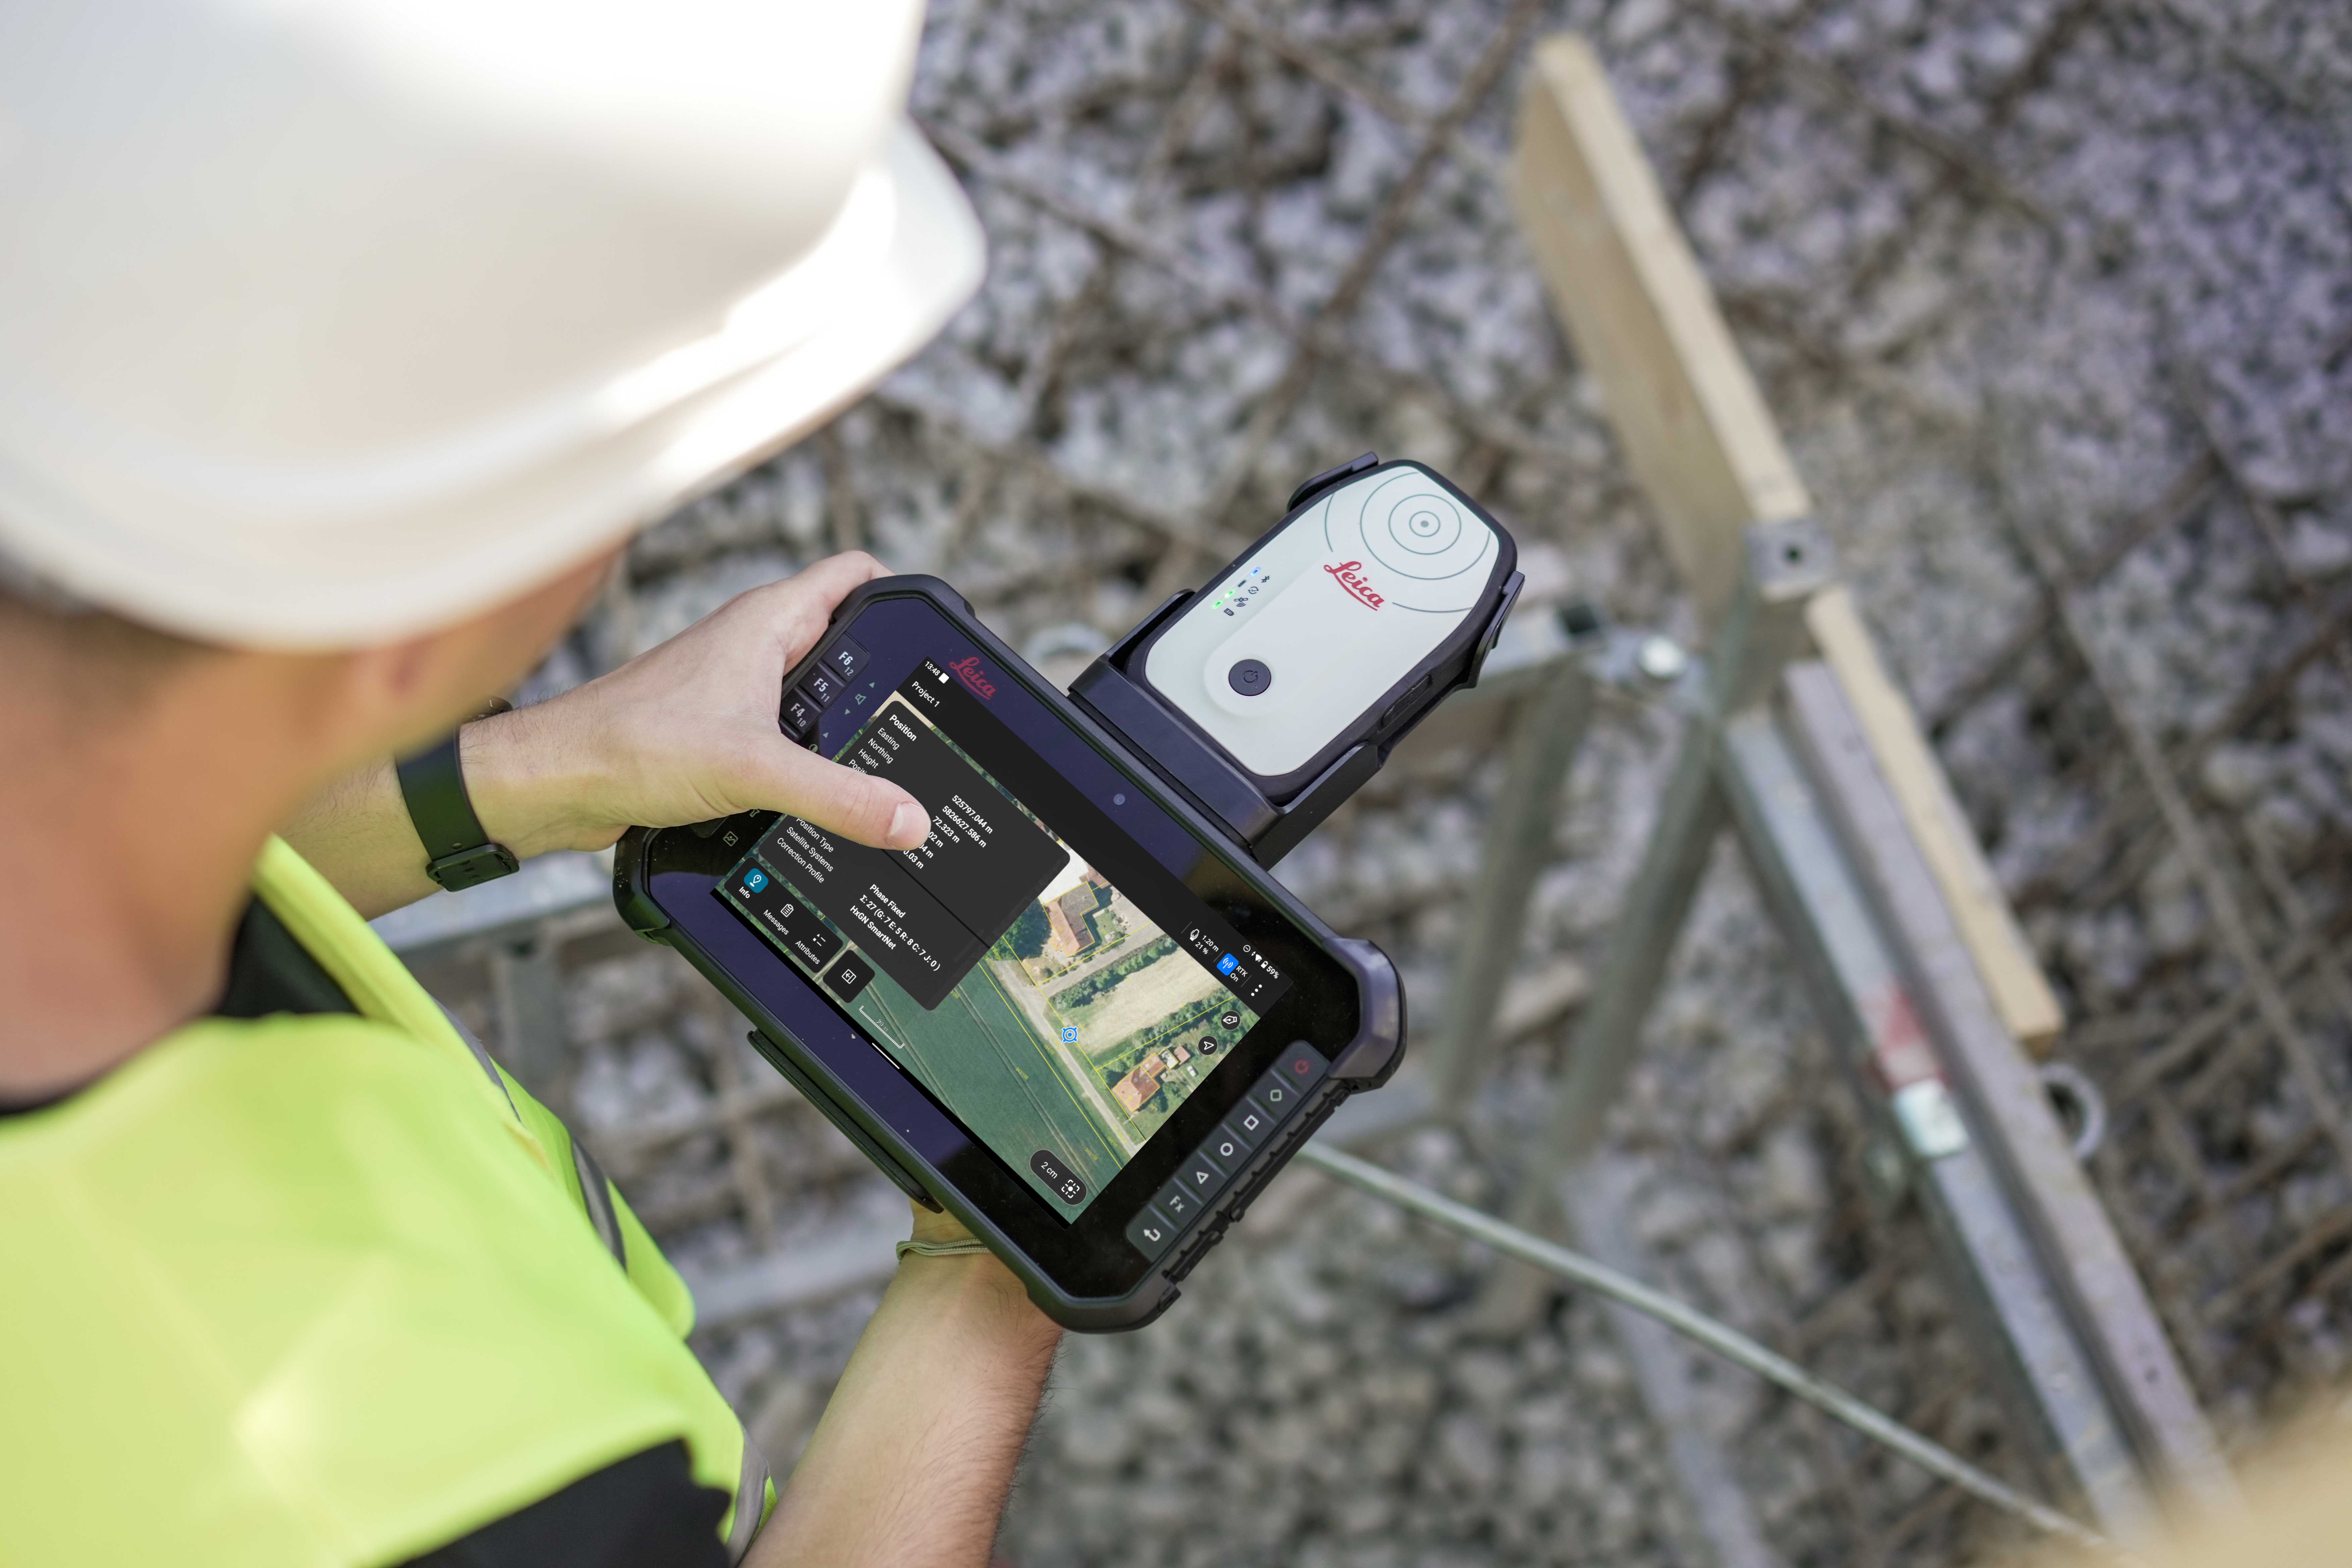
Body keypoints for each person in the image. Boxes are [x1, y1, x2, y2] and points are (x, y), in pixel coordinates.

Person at [0, 2, 1063, 1563]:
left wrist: (547, 771)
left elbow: (135, 832)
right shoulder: (423, 1495)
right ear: (408, 620)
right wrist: (1012, 1244)